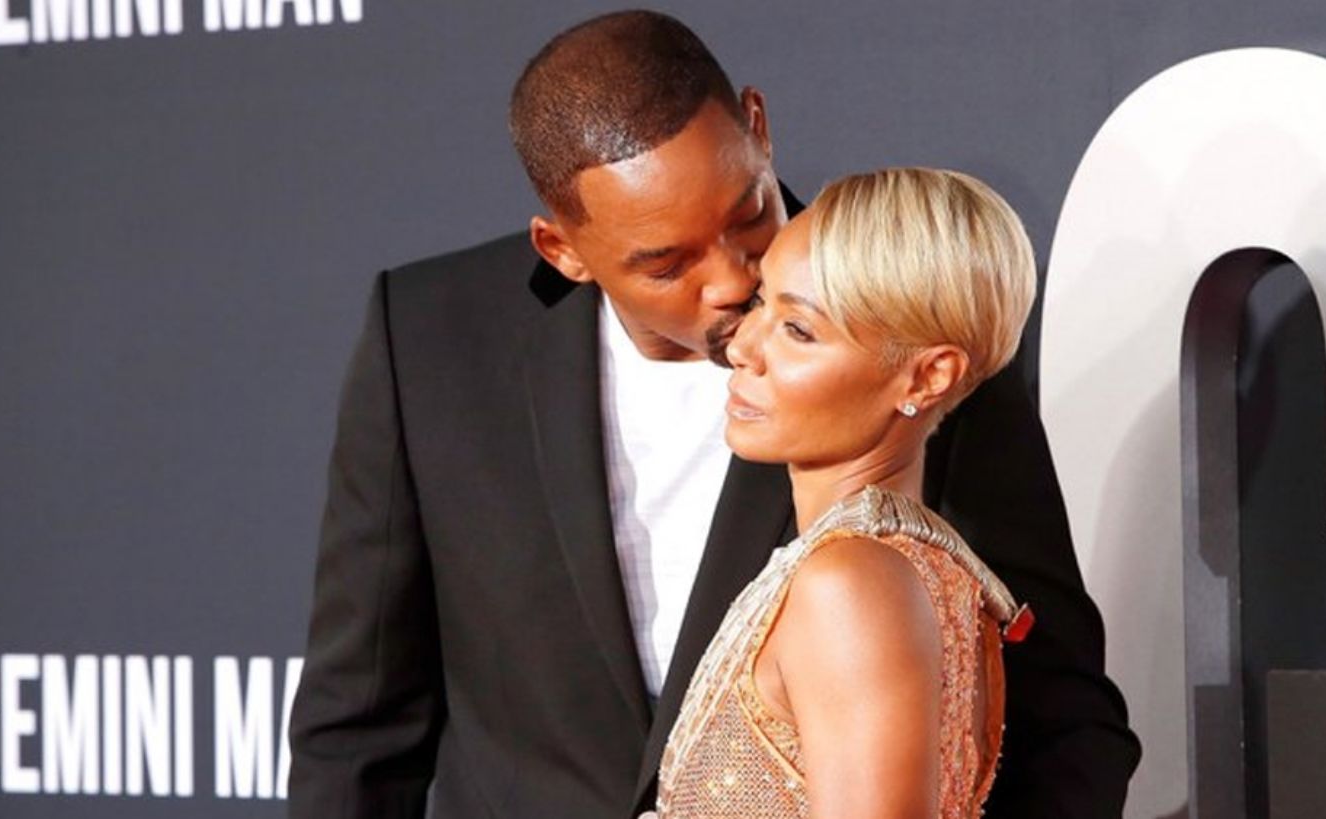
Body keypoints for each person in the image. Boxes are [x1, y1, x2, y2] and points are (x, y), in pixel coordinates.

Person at [288, 10, 1139, 819]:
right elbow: (358, 728)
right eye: (668, 265)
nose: (735, 283)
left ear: (758, 128)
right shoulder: (427, 338)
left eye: (749, 214)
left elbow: (1065, 720)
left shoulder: (902, 321)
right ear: (563, 250)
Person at [657, 167, 1035, 819]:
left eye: (798, 330)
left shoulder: (851, 584)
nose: (743, 347)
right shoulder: (899, 566)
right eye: (761, 303)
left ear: (927, 377)